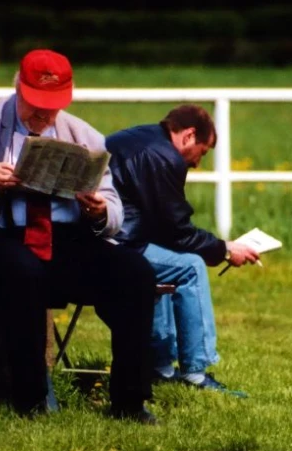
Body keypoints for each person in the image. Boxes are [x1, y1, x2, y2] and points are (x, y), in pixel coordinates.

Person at [0, 49, 158, 424]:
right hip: (2, 236)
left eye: (51, 108)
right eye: (35, 106)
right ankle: (31, 399)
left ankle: (130, 401)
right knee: (24, 272)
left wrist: (98, 211)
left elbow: (115, 210)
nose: (42, 116)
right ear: (17, 88)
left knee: (136, 272)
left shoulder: (85, 135)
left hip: (67, 239)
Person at [106, 104, 260, 396]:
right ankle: (196, 373)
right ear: (189, 136)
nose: (199, 163)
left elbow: (166, 227)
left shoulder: (143, 138)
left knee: (170, 258)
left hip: (105, 238)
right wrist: (225, 250)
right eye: (203, 152)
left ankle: (161, 367)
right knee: (190, 266)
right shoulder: (163, 157)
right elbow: (176, 229)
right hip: (117, 245)